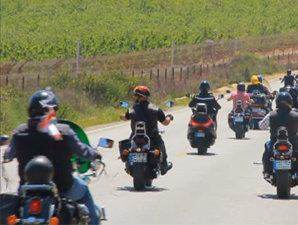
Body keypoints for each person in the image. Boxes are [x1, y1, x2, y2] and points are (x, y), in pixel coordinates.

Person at [3, 90, 102, 225]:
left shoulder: (19, 132)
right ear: (52, 110)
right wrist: (95, 154)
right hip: (63, 187)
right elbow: (83, 151)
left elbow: (8, 154)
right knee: (84, 190)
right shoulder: (64, 131)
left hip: (27, 190)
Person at [120, 85, 173, 175]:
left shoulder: (132, 109)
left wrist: (121, 116)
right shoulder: (155, 109)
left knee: (126, 146)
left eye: (135, 95)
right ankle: (164, 166)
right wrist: (170, 117)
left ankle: (127, 162)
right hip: (152, 137)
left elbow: (125, 118)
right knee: (161, 145)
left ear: (137, 96)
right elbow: (165, 122)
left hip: (135, 137)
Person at [258, 92, 298, 180]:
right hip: (293, 144)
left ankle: (267, 170)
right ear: (291, 102)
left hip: (274, 144)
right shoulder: (296, 115)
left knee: (267, 146)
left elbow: (261, 126)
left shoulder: (271, 115)